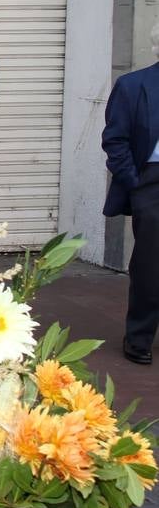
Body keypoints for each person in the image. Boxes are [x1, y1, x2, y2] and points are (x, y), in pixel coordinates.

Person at [102, 28, 159, 366]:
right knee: (151, 265)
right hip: (152, 182)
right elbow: (115, 139)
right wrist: (134, 183)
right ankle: (139, 337)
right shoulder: (134, 85)